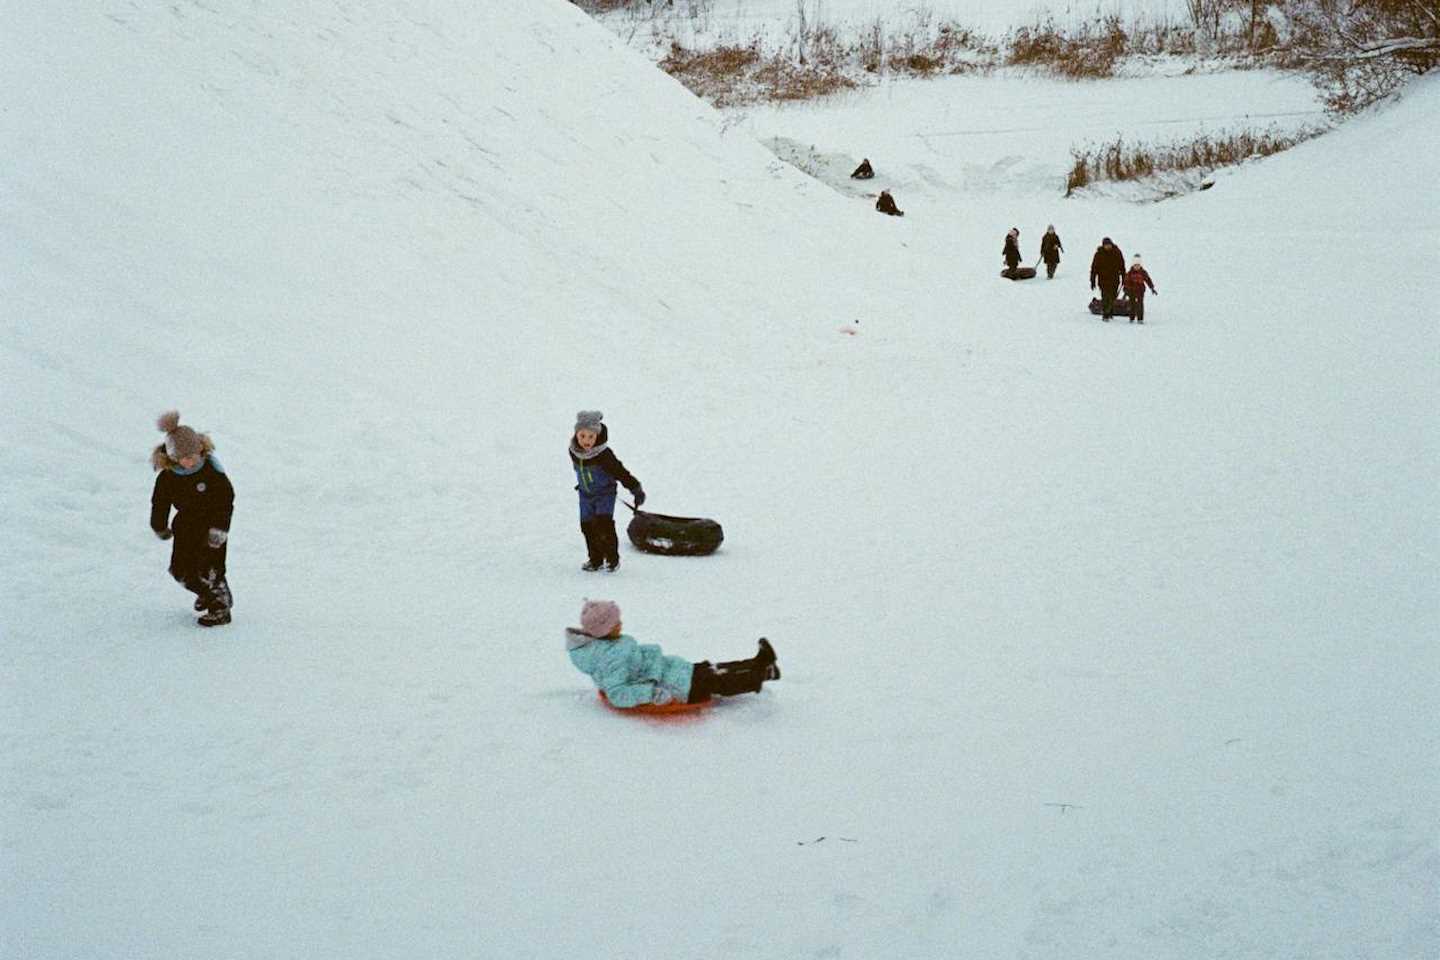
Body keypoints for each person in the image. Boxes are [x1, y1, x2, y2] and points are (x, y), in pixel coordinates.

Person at [565, 600, 781, 708]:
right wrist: (651, 693)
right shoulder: (611, 659)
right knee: (717, 681)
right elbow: (618, 693)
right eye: (616, 623)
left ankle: (758, 662)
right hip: (669, 686)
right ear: (603, 630)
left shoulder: (609, 645)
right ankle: (762, 674)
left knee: (710, 669)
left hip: (667, 671)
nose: (621, 624)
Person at [150, 410, 234, 627]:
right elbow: (160, 503)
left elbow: (226, 501)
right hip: (185, 527)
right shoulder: (168, 477)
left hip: (211, 528)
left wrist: (220, 529)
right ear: (173, 458)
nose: (190, 462)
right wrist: (159, 526)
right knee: (180, 569)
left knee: (210, 568)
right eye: (183, 458)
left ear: (200, 450)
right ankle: (206, 593)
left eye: (193, 456)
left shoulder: (211, 472)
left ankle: (221, 607)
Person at [570, 410, 644, 572]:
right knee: (587, 527)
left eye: (591, 437)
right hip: (585, 495)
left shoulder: (604, 455)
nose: (586, 441)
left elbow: (620, 471)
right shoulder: (574, 452)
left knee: (604, 525)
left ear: (598, 436)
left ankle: (612, 559)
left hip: (605, 494)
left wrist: (635, 488)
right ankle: (595, 559)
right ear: (576, 434)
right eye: (582, 436)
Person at [1089, 237, 1127, 321]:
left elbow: (1122, 266)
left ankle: (1110, 311)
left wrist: (1124, 278)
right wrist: (1092, 280)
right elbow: (1094, 268)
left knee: (1113, 296)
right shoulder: (1099, 254)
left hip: (1115, 279)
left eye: (1109, 245)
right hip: (1103, 280)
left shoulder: (1117, 252)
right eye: (1106, 245)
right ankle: (1105, 314)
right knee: (1105, 296)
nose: (1108, 247)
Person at [1122, 254, 1158, 324]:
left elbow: (1148, 280)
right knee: (1132, 304)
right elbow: (1126, 282)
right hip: (1131, 291)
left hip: (1140, 291)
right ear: (1133, 265)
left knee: (1140, 304)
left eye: (1138, 265)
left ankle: (1140, 318)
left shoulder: (1143, 273)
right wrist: (1126, 290)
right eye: (1135, 265)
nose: (1137, 267)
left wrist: (1152, 288)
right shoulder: (1129, 273)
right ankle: (1131, 318)